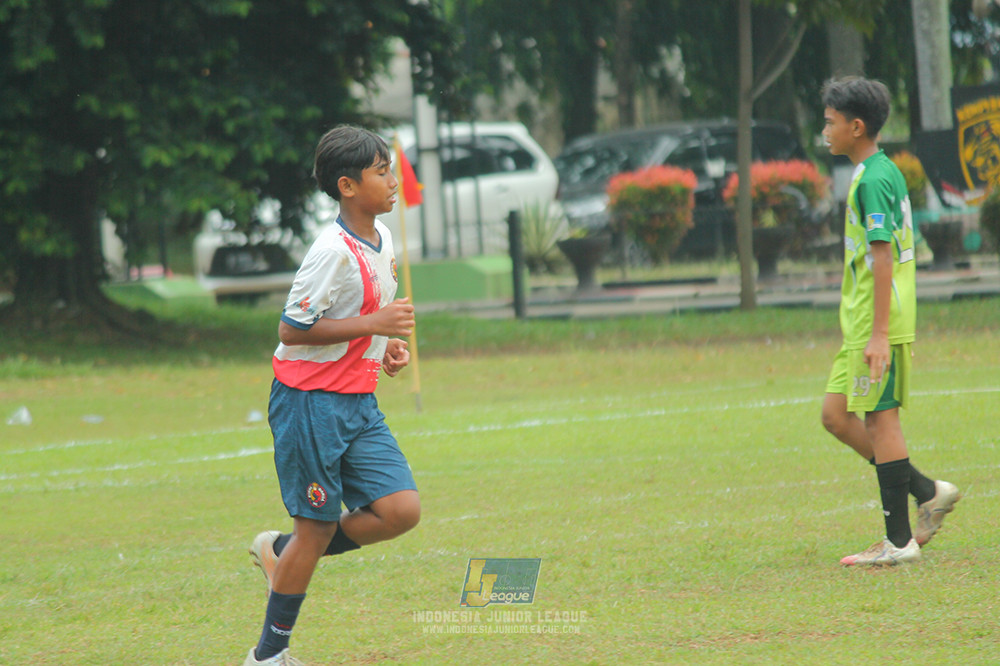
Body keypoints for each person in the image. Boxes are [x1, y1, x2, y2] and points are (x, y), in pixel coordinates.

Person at [243, 125, 421, 665]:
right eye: (380, 171)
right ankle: (268, 656)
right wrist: (375, 322)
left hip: (358, 402)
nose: (391, 181)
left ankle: (282, 551)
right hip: (309, 404)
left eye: (390, 168)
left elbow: (363, 321)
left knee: (400, 511)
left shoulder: (383, 239)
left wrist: (385, 346)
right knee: (316, 529)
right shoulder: (330, 252)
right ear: (347, 185)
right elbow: (292, 331)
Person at [818, 77, 959, 567]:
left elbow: (883, 256)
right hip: (860, 320)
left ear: (857, 127)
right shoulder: (874, 171)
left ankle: (897, 541)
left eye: (831, 122)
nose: (825, 130)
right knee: (836, 415)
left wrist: (879, 334)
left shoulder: (875, 177)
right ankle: (926, 490)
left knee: (880, 419)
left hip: (877, 321)